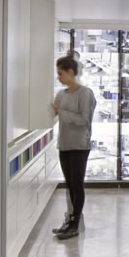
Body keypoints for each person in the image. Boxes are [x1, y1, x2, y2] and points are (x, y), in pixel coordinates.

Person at [51, 51, 97, 240]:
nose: (59, 77)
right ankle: (69, 221)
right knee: (69, 185)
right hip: (65, 144)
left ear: (71, 72)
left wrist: (62, 113)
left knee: (77, 185)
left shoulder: (85, 93)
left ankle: (75, 224)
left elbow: (84, 121)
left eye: (61, 73)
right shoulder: (61, 94)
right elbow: (56, 115)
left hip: (79, 145)